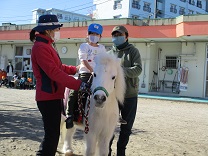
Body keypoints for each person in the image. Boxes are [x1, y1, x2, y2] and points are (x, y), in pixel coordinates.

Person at [29, 14, 90, 156]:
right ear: (48, 30)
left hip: (53, 96)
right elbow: (53, 72)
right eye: (56, 28)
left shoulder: (46, 45)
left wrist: (74, 69)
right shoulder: (40, 47)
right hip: (48, 97)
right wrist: (78, 85)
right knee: (51, 137)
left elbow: (59, 67)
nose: (58, 31)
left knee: (52, 136)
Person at [108, 25, 142, 156]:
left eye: (119, 35)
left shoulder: (133, 51)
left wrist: (120, 72)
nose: (116, 37)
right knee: (110, 125)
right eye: (114, 35)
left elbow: (138, 69)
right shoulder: (110, 53)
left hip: (130, 94)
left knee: (126, 127)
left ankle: (121, 151)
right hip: (113, 95)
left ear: (126, 36)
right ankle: (108, 151)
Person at [65, 23, 106, 129]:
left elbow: (104, 61)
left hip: (98, 74)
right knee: (75, 91)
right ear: (87, 34)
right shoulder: (84, 46)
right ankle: (69, 114)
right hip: (85, 73)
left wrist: (99, 72)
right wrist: (92, 71)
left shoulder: (102, 48)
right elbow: (83, 60)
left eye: (97, 34)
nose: (94, 36)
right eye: (92, 33)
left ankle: (113, 114)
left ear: (100, 36)